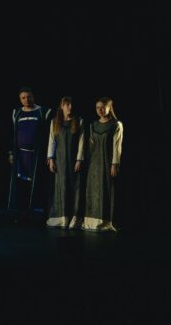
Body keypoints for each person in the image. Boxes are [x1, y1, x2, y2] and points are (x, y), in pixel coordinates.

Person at [7, 88, 52, 223]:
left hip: (37, 156)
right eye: (23, 98)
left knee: (38, 183)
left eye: (29, 97)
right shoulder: (17, 112)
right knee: (22, 185)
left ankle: (40, 214)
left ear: (33, 96)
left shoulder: (43, 111)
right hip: (21, 155)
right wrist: (11, 153)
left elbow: (49, 135)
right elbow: (13, 134)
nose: (26, 100)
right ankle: (23, 213)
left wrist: (49, 155)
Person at [79, 97, 123, 232]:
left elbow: (117, 146)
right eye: (97, 108)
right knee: (93, 190)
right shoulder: (93, 125)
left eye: (103, 107)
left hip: (107, 161)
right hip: (94, 163)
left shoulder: (116, 124)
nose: (100, 110)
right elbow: (91, 145)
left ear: (109, 108)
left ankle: (106, 221)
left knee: (106, 189)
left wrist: (114, 163)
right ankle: (91, 221)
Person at [46, 97, 85, 228]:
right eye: (67, 104)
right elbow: (52, 141)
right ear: (62, 106)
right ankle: (62, 218)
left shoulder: (79, 121)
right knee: (61, 186)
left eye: (71, 104)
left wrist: (79, 159)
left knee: (74, 187)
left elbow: (82, 142)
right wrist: (51, 159)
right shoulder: (55, 122)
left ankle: (74, 218)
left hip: (73, 160)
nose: (70, 107)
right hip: (60, 159)